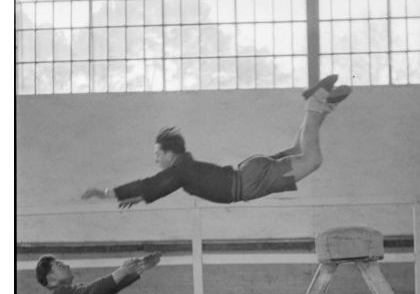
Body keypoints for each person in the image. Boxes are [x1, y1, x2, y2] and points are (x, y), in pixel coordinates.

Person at [81, 74, 351, 208]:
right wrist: (141, 197)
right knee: (300, 150)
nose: (155, 160)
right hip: (249, 173)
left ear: (169, 154)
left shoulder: (181, 170)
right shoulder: (185, 167)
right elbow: (155, 187)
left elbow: (151, 184)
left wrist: (107, 193)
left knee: (312, 159)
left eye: (157, 155)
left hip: (249, 182)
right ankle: (324, 106)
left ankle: (316, 102)